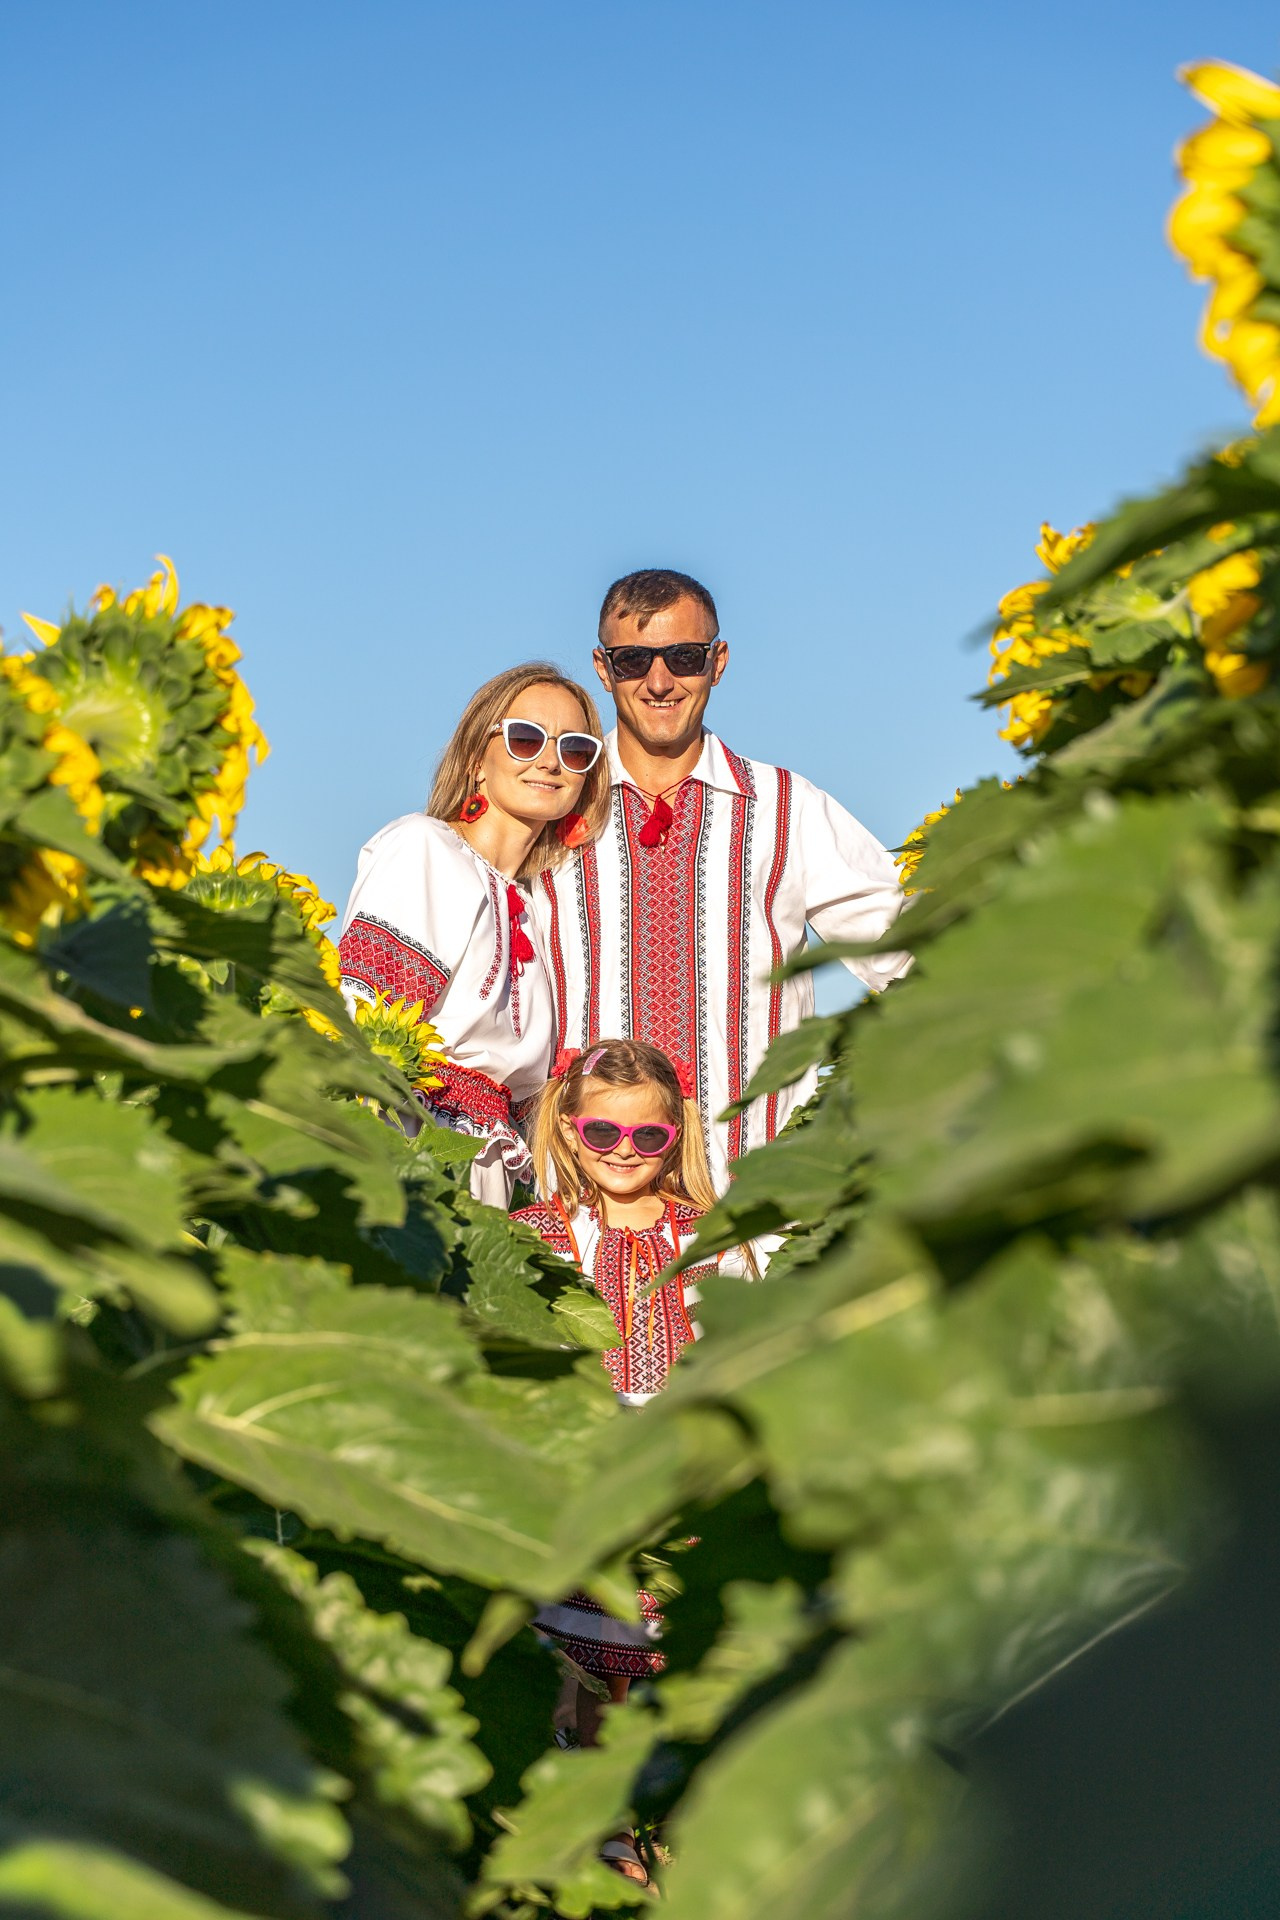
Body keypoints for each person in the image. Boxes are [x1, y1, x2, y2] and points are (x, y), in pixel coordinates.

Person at [527, 570, 911, 1195]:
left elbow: (903, 951)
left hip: (757, 1208)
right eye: (633, 660)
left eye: (684, 657)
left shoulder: (788, 808)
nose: (659, 681)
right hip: (580, 1214)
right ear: (602, 667)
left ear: (718, 660)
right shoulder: (551, 803)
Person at [512, 1036, 743, 1889]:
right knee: (582, 1649)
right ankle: (603, 1824)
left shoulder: (712, 1235)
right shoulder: (536, 1238)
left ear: (675, 1137)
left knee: (677, 1649)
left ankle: (687, 1807)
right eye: (602, 1136)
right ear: (571, 1132)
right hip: (579, 1466)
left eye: (646, 1139)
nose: (623, 1155)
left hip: (680, 1462)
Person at [338, 663, 610, 1206]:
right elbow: (360, 1024)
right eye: (525, 739)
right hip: (411, 1153)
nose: (550, 761)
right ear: (475, 761)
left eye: (576, 749)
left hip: (494, 1178)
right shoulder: (425, 848)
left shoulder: (538, 905)